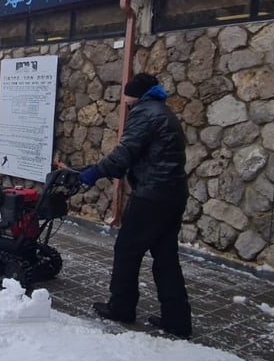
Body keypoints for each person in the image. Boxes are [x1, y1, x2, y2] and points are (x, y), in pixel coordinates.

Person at [77, 73, 192, 339]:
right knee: (166, 258)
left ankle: (121, 307)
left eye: (127, 99)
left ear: (136, 95)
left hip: (151, 196)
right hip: (173, 196)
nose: (126, 104)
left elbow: (124, 154)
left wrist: (94, 172)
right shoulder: (163, 112)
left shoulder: (144, 113)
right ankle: (177, 320)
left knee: (127, 250)